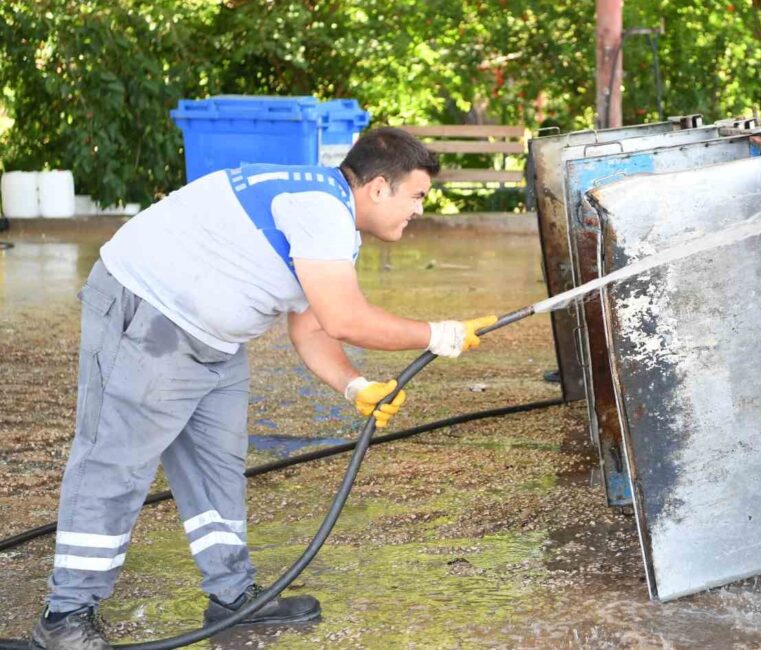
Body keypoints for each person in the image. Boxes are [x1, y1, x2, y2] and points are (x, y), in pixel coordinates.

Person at [31, 127, 495, 649]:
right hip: (150, 315)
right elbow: (345, 318)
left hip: (215, 338)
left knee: (217, 467)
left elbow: (313, 325)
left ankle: (232, 597)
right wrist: (438, 334)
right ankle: (66, 614)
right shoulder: (320, 209)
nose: (417, 211)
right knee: (114, 465)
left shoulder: (331, 218)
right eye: (417, 196)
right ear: (379, 187)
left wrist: (354, 385)